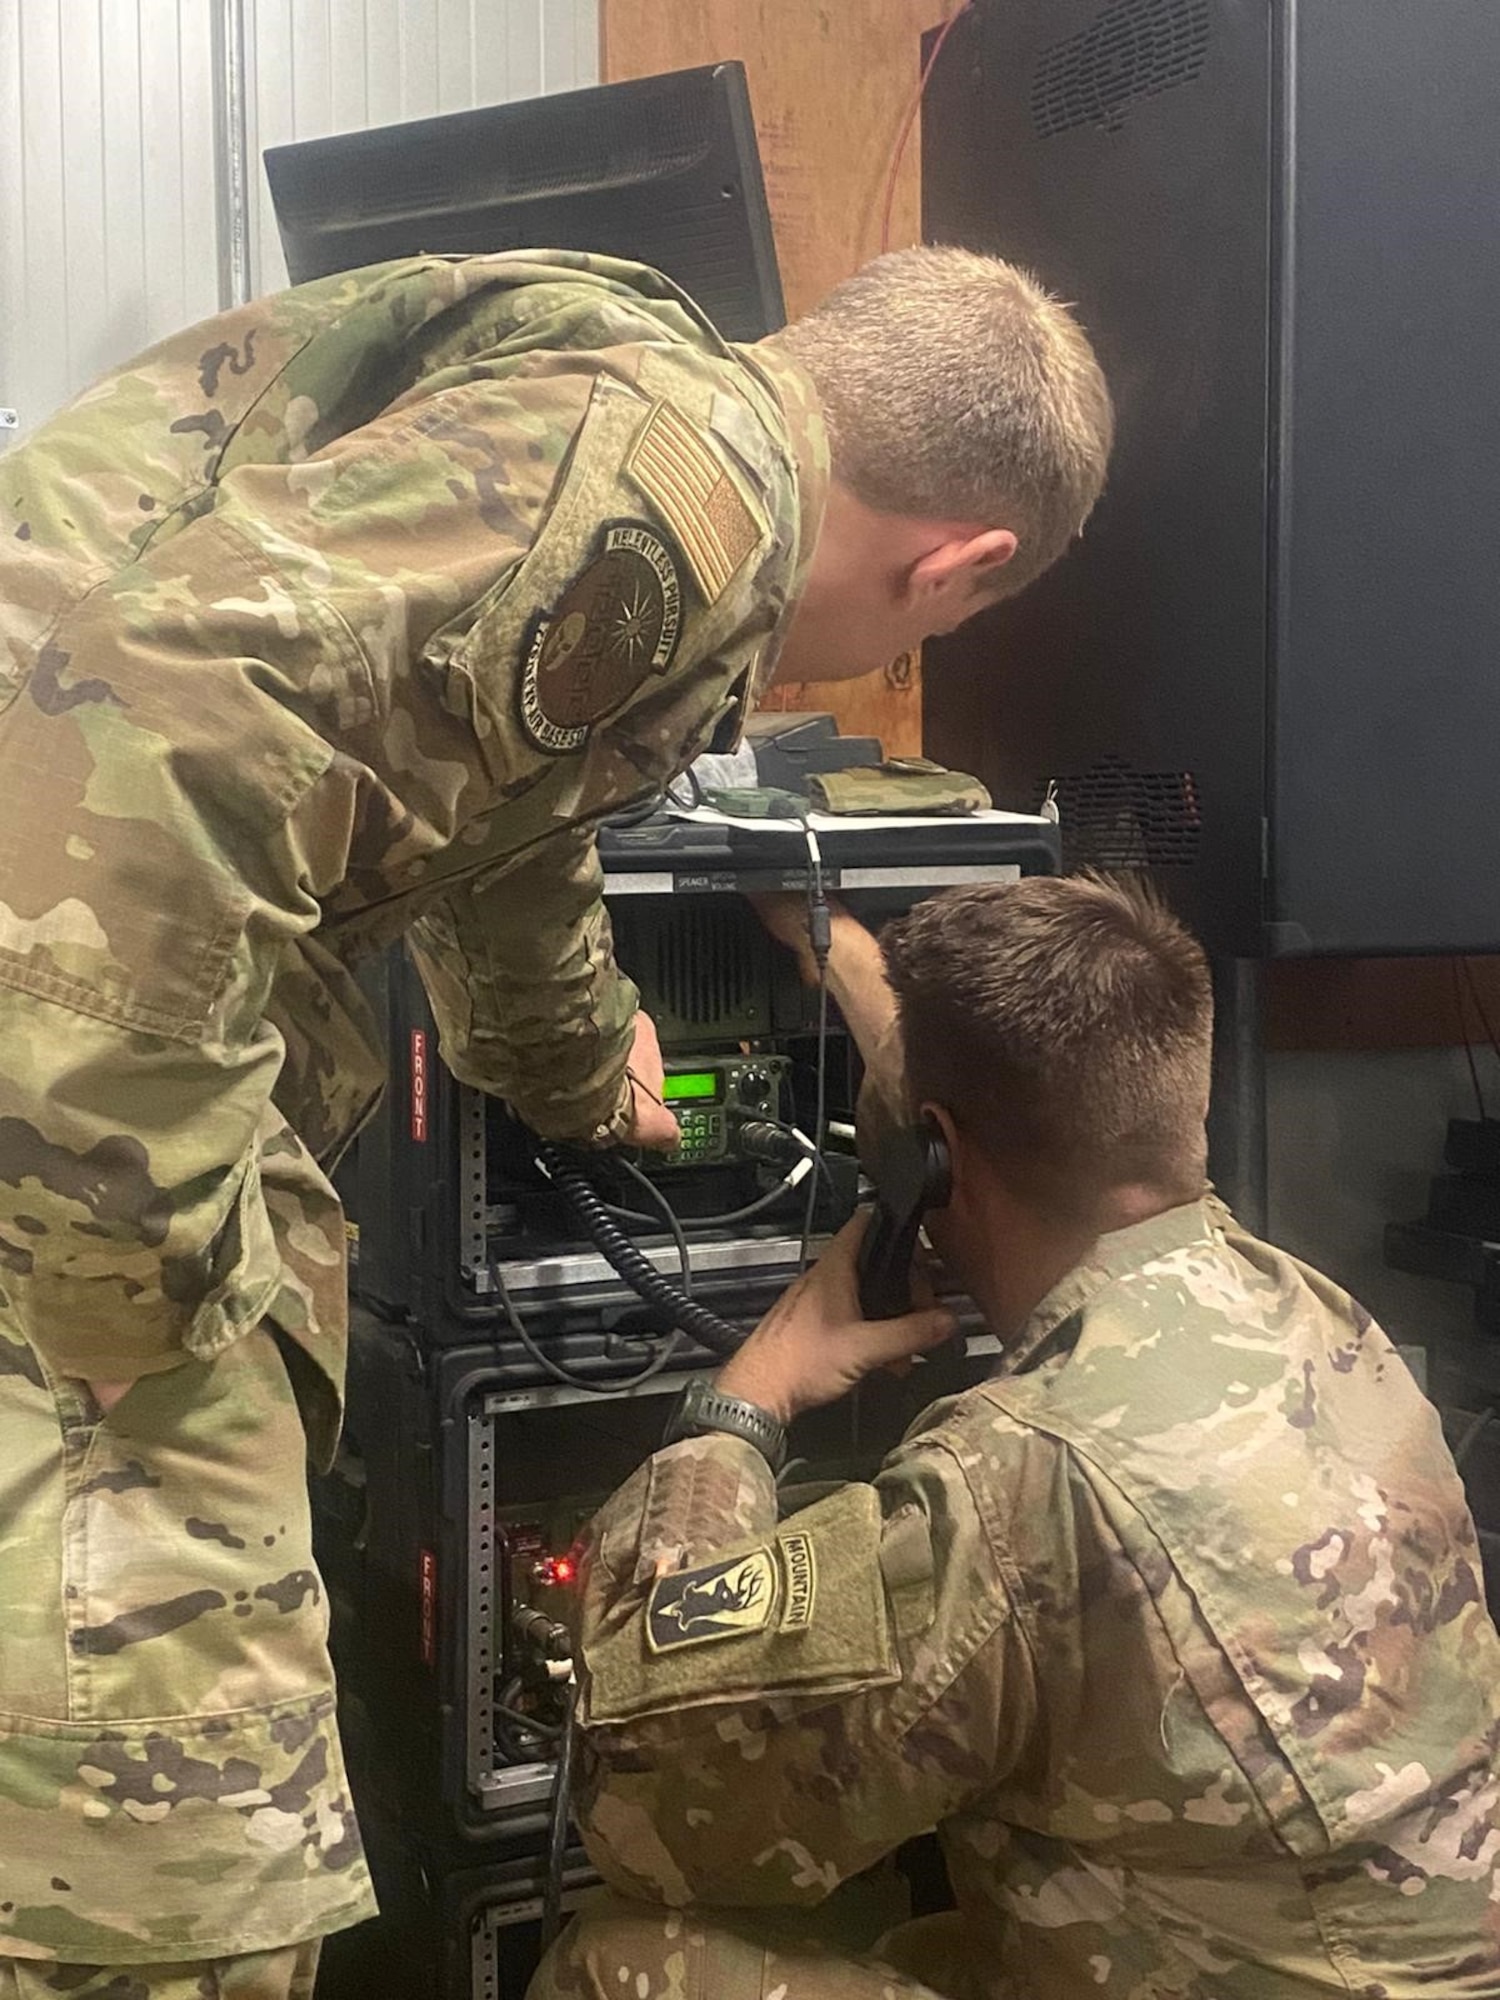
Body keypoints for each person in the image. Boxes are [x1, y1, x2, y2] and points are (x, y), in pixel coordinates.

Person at [0, 245, 1111, 1992]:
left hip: (84, 1028)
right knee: (176, 1864)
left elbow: (493, 804)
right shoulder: (697, 486)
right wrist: (147, 1237)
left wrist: (588, 1068)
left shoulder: (643, 430)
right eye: (937, 631)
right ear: (956, 563)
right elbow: (160, 702)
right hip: (74, 1104)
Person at [534, 875, 1500, 2000]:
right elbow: (1007, 1075)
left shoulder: (1019, 1479)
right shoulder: (1327, 1325)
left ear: (929, 1162)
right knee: (930, 1942)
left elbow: (647, 1797)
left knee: (619, 1960)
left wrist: (745, 1400)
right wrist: (834, 944)